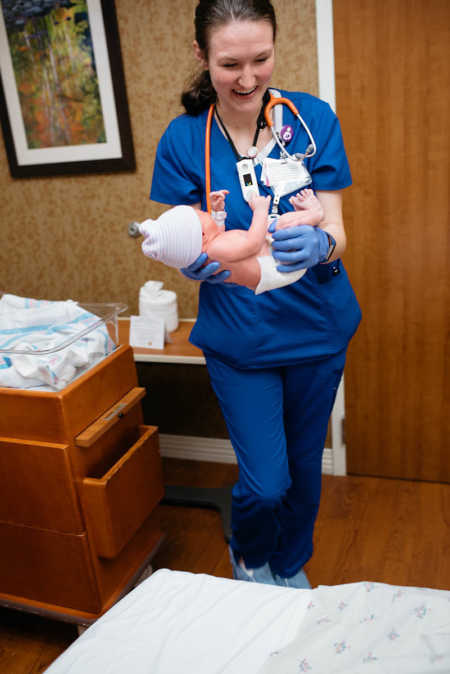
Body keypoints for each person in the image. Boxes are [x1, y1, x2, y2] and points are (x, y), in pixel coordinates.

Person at [149, 0, 361, 588]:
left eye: (261, 59)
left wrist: (321, 246)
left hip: (317, 327)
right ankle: (249, 551)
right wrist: (196, 259)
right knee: (266, 479)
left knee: (302, 469)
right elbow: (185, 237)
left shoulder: (312, 119)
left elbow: (339, 232)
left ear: (275, 47)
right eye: (230, 63)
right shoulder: (185, 139)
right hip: (240, 336)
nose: (247, 78)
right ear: (202, 57)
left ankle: (290, 564)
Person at [139, 188, 325, 294]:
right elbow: (252, 244)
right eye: (202, 214)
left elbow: (219, 232)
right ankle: (315, 213)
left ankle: (302, 215)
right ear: (201, 235)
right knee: (278, 225)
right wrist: (260, 210)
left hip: (276, 260)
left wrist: (218, 211)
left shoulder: (213, 246)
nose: (206, 213)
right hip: (279, 266)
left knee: (276, 226)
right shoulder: (217, 249)